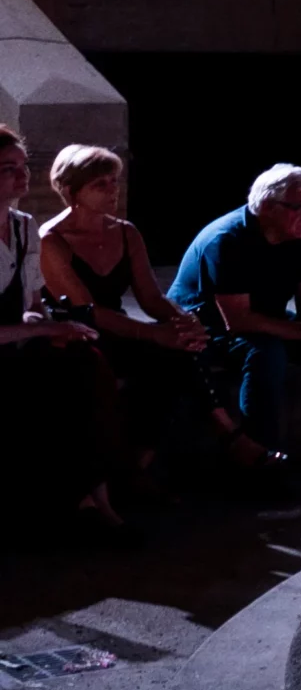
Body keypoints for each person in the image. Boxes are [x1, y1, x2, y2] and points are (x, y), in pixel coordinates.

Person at [38, 145, 244, 487]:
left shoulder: (125, 231)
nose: (113, 190)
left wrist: (181, 319)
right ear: (73, 191)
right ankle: (226, 436)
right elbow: (87, 310)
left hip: (118, 328)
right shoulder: (52, 240)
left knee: (180, 351)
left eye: (114, 182)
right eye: (100, 184)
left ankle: (141, 465)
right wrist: (154, 334)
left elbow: (150, 297)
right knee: (165, 358)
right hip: (79, 333)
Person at [171, 165, 301, 472]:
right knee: (265, 353)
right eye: (298, 208)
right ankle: (261, 459)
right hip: (207, 325)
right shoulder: (227, 240)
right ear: (267, 207)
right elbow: (237, 320)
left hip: (263, 316)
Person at [0, 127, 128, 536]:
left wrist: (49, 327)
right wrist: (41, 329)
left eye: (23, 167)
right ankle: (79, 499)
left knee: (84, 359)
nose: (22, 177)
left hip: (19, 343)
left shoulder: (22, 227)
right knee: (69, 377)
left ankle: (98, 498)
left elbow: (32, 305)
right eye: (8, 169)